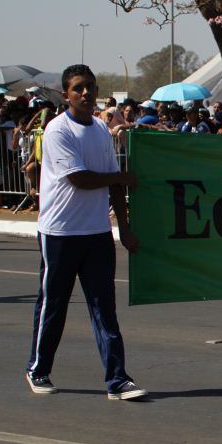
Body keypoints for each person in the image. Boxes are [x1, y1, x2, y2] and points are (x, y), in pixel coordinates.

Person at [26, 64, 146, 400]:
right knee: (54, 304)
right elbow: (80, 179)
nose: (85, 93)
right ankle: (38, 368)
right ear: (66, 95)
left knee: (103, 306)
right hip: (60, 233)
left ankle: (118, 379)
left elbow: (114, 188)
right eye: (78, 88)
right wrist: (120, 177)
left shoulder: (100, 131)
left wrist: (124, 228)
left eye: (90, 87)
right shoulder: (57, 131)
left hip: (95, 234)